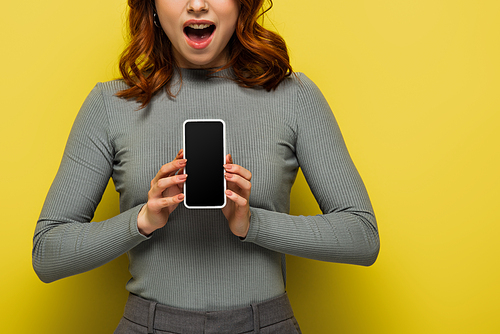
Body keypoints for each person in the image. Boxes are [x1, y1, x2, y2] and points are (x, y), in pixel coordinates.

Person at [32, 0, 380, 332]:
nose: (197, 5)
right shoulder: (110, 105)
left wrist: (252, 223)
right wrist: (143, 220)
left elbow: (362, 236)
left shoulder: (294, 96)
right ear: (151, 6)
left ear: (242, 4)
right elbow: (47, 253)